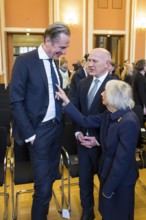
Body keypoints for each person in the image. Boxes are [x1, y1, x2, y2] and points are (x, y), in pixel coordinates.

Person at [10, 22, 71, 220]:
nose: (63, 52)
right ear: (47, 40)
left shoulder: (53, 62)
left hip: (56, 130)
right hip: (38, 134)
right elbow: (16, 101)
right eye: (61, 47)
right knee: (43, 189)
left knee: (50, 180)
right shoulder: (25, 61)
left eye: (65, 48)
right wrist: (31, 134)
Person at [56, 80, 140, 220]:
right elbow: (85, 121)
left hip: (120, 181)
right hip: (107, 174)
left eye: (105, 91)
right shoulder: (110, 114)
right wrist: (67, 101)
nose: (102, 93)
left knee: (118, 215)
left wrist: (108, 189)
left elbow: (122, 162)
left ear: (114, 97)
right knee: (107, 214)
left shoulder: (128, 121)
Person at [69, 48, 113, 220]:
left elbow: (114, 120)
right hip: (83, 143)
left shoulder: (115, 85)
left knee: (105, 183)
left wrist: (98, 140)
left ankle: (106, 213)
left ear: (107, 64)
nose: (90, 64)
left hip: (103, 145)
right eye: (89, 60)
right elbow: (77, 111)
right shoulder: (83, 83)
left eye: (95, 61)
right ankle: (87, 212)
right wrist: (78, 132)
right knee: (84, 182)